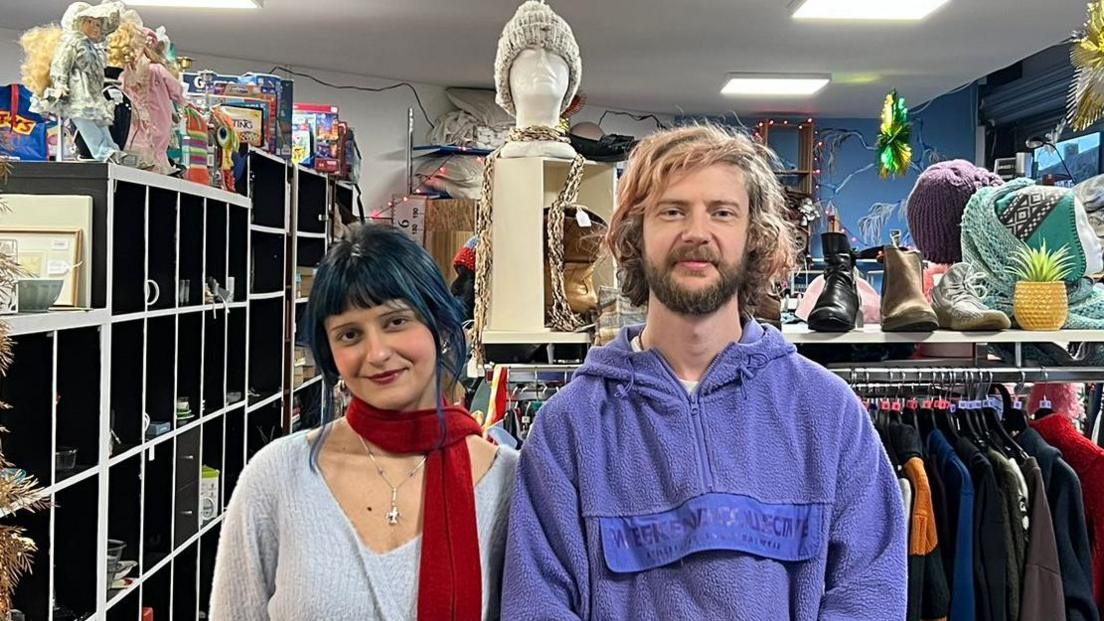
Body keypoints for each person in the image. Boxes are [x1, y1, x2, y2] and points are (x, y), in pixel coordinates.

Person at [501, 125, 907, 619]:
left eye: (722, 212)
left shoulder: (828, 413)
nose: (697, 232)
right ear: (636, 232)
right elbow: (538, 604)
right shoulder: (569, 428)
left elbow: (869, 594)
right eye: (672, 211)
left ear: (753, 237)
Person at [210, 225, 518, 621]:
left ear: (439, 328)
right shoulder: (278, 477)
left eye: (395, 322)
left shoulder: (506, 482)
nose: (376, 353)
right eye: (350, 334)